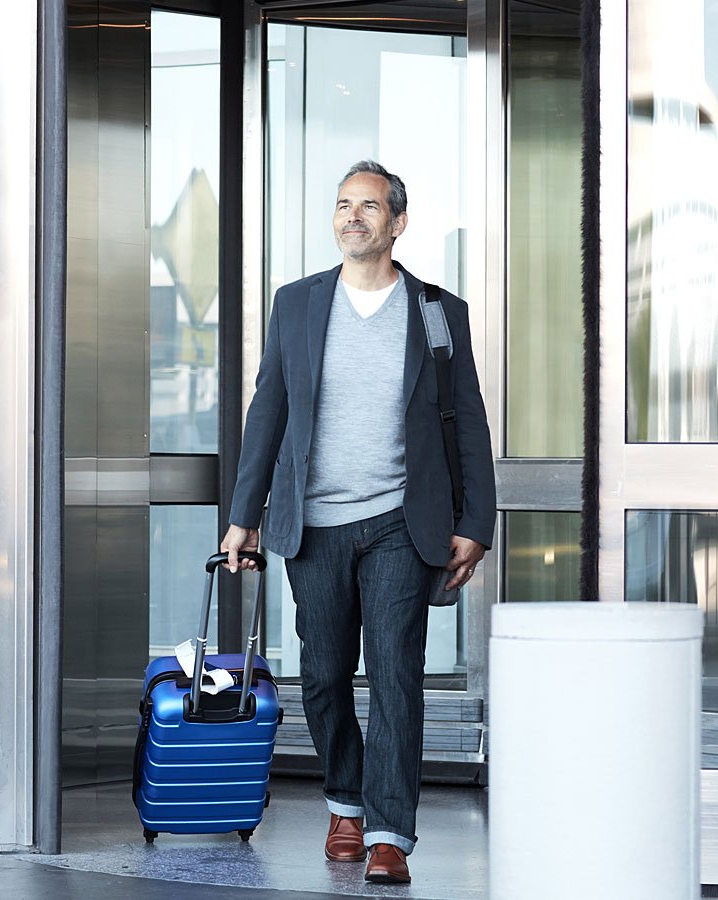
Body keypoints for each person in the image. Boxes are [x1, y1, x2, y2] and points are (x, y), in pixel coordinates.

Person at [220, 160, 496, 884]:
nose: (353, 217)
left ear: (397, 222)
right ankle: (344, 799)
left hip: (403, 522)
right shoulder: (299, 305)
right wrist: (242, 517)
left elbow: (467, 419)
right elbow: (267, 414)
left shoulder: (438, 311)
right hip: (314, 525)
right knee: (321, 673)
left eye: (369, 206)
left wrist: (477, 519)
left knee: (398, 673)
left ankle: (387, 833)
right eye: (343, 205)